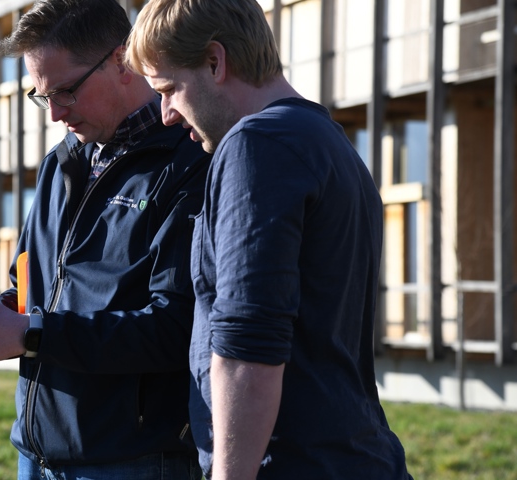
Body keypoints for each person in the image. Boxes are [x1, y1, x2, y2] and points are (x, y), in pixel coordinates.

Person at [0, 0, 210, 478]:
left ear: (122, 59)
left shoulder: (188, 165)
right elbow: (29, 295)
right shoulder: (59, 165)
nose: (55, 114)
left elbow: (175, 329)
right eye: (42, 96)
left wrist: (30, 333)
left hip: (133, 461)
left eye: (65, 92)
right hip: (37, 457)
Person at [125, 1, 413, 479]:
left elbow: (247, 344)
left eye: (169, 88)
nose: (166, 114)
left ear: (215, 62)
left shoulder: (256, 145)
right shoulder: (327, 140)